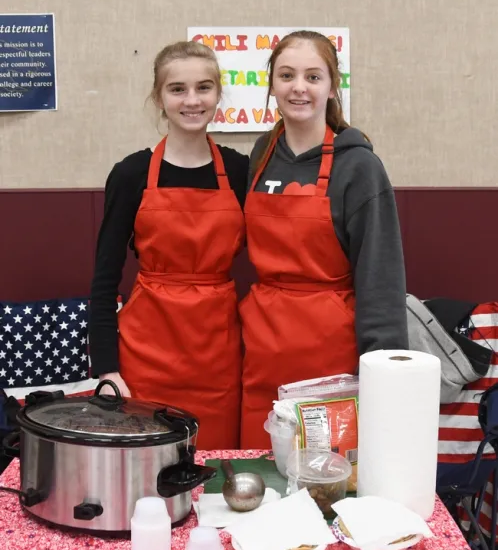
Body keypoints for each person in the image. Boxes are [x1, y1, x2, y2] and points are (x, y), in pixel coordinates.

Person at [240, 30, 408, 448]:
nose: (299, 87)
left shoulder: (360, 167)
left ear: (332, 87)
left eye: (313, 77)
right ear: (272, 84)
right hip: (262, 350)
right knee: (260, 469)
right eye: (287, 75)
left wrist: (383, 375)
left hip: (331, 358)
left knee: (327, 474)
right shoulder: (261, 154)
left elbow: (380, 279)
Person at [89, 41, 248, 450]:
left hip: (218, 359)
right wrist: (106, 369)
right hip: (146, 357)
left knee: (215, 468)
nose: (192, 100)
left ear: (218, 94)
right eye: (177, 89)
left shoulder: (240, 170)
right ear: (159, 98)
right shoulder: (131, 173)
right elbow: (104, 281)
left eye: (203, 87)